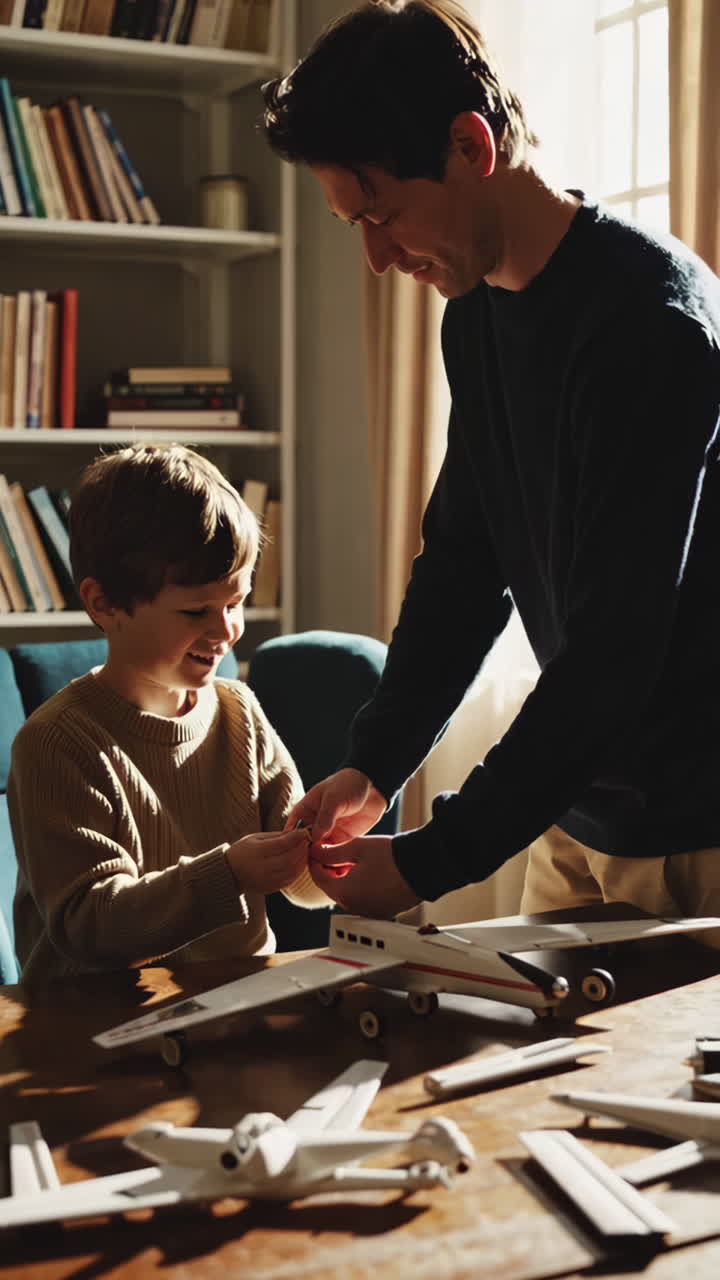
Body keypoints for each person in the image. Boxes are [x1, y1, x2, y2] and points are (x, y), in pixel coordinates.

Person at [262, 0, 720, 927]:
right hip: (575, 817)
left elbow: (612, 654)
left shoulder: (652, 325)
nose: (377, 259)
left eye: (382, 214)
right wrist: (374, 764)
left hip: (696, 831)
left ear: (473, 146)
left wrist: (437, 860)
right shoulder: (473, 317)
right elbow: (463, 570)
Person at [9, 444, 328, 982]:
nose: (227, 630)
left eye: (236, 602)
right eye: (196, 610)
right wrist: (228, 875)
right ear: (105, 604)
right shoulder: (56, 743)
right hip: (89, 1029)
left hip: (232, 1008)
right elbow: (91, 927)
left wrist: (333, 856)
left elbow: (302, 881)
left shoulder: (239, 711)